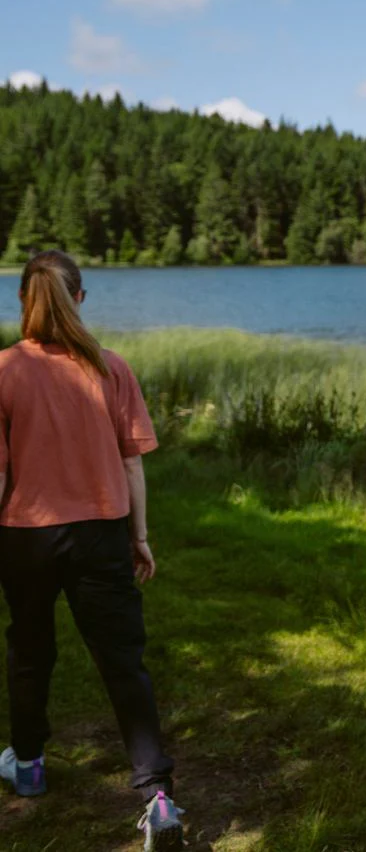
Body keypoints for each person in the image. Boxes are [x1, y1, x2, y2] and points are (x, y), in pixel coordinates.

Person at [0, 250, 185, 852]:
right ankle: (157, 796)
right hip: (101, 535)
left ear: (23, 301)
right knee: (123, 660)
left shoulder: (4, 370)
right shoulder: (110, 368)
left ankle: (29, 766)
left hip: (26, 536)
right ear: (79, 299)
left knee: (30, 651)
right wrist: (139, 537)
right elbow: (132, 465)